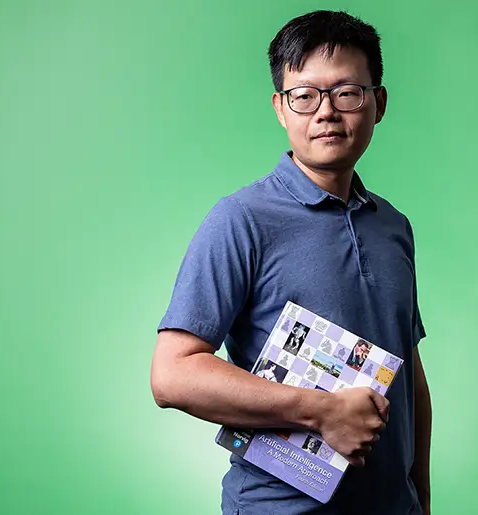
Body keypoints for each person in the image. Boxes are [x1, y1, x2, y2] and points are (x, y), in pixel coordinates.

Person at [151, 9, 432, 515]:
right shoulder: (241, 219)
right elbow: (172, 375)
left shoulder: (394, 226)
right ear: (281, 108)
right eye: (305, 95)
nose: (325, 112)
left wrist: (420, 497)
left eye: (347, 92)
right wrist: (322, 412)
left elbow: (408, 373)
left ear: (378, 103)